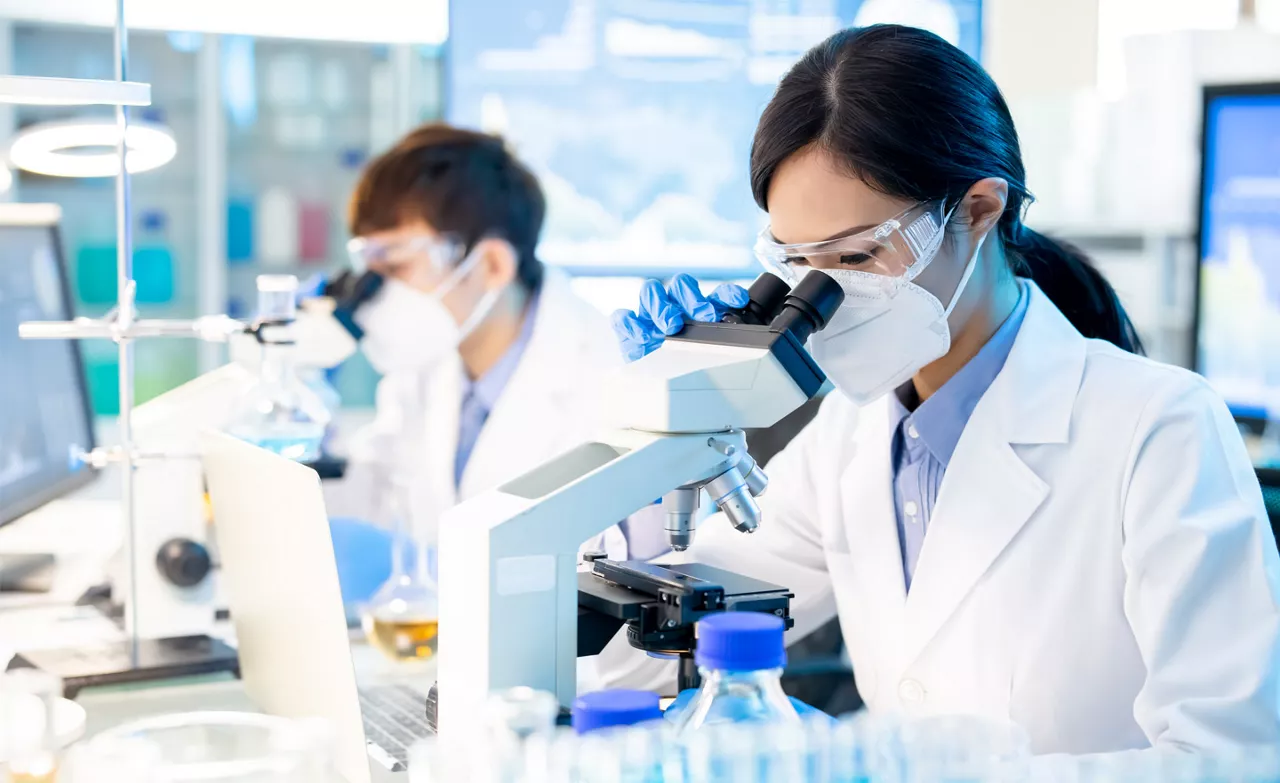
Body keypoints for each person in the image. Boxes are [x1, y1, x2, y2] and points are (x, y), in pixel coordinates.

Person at [604, 25, 1280, 755]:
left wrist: (900, 768)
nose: (824, 295)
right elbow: (640, 658)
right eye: (797, 262)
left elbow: (1228, 758)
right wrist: (668, 430)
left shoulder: (1160, 428)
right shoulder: (849, 436)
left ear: (979, 210)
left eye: (856, 255)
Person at [325, 124, 631, 564]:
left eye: (396, 267)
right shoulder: (424, 368)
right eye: (370, 269)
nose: (377, 296)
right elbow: (375, 495)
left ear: (491, 265)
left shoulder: (607, 377)